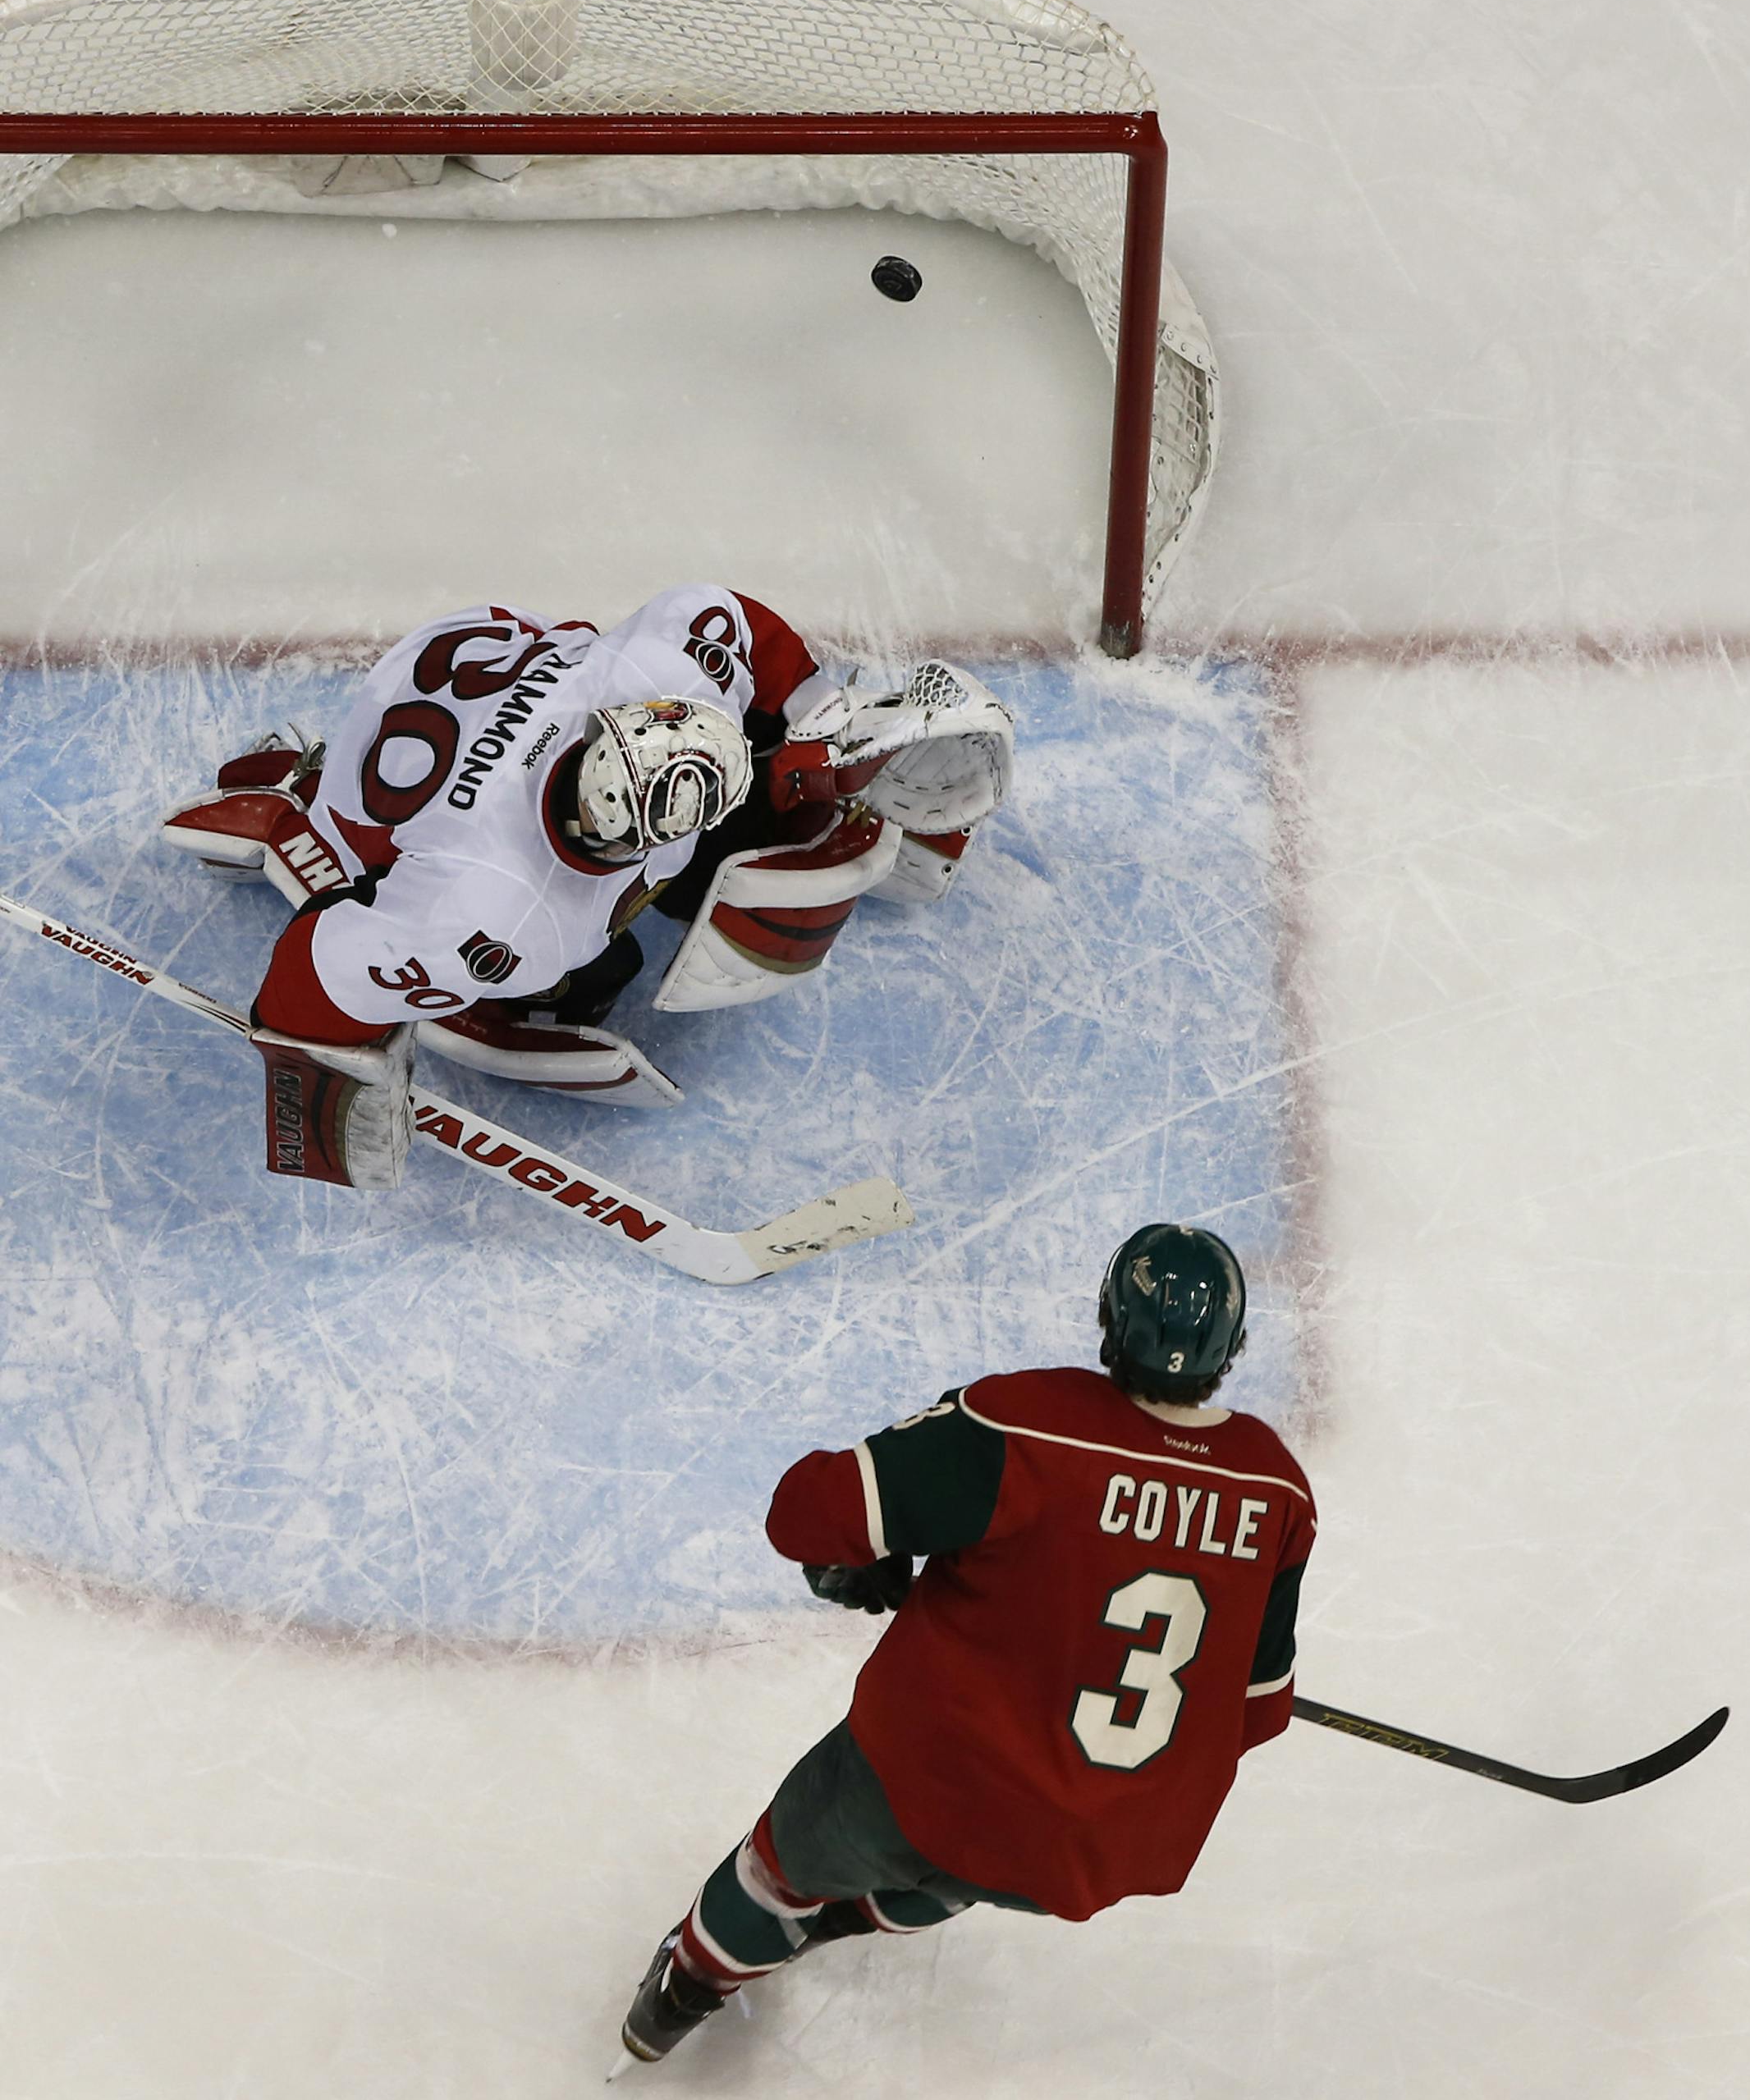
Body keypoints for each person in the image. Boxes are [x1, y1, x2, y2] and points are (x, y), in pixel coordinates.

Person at [616, 1224, 1316, 2070]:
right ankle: (847, 1917)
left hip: (920, 1782)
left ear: (1108, 1316)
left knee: (777, 1870)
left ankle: (679, 1994)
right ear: (1234, 1346)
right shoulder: (1276, 1486)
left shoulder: (1027, 1423)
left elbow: (806, 1514)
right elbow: (1259, 1712)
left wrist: (857, 1561)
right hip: (1088, 1852)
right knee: (964, 1871)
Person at [160, 587, 1012, 1188]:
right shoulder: (496, 917)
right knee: (593, 976)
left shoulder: (665, 675)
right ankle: (300, 781)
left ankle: (819, 776)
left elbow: (736, 623)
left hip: (484, 669)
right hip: (395, 784)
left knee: (776, 778)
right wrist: (330, 1084)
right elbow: (311, 969)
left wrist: (819, 718)